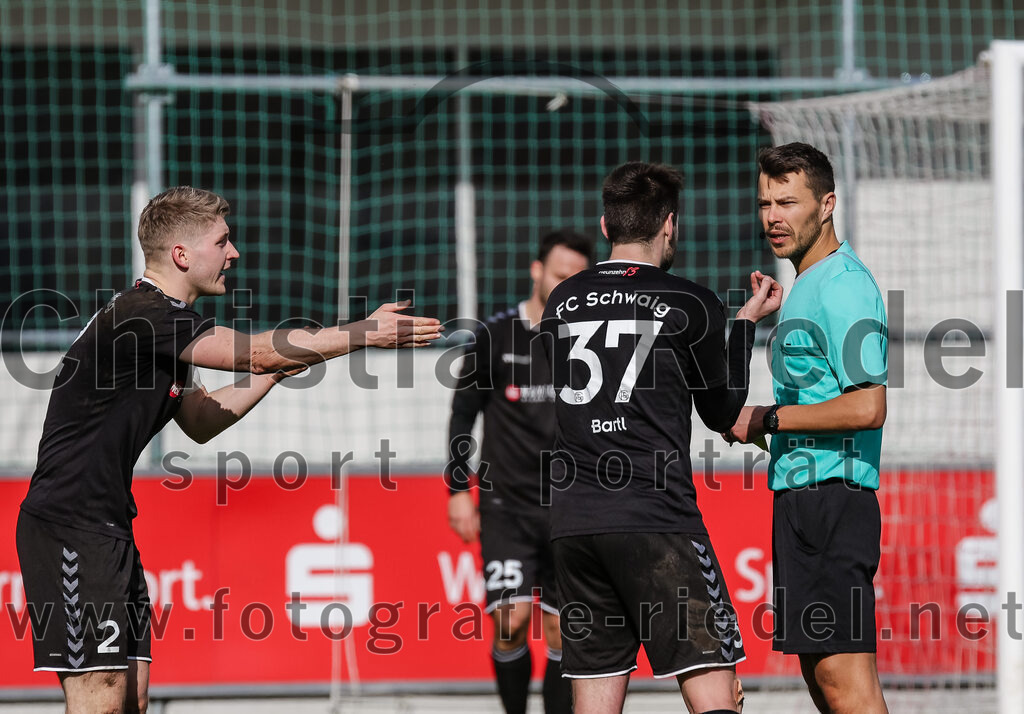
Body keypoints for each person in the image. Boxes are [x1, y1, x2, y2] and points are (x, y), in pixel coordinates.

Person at [16, 186, 443, 713]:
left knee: (134, 700)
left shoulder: (164, 323)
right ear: (181, 255)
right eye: (222, 241)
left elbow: (201, 420)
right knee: (99, 697)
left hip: (106, 524)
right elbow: (254, 354)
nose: (233, 253)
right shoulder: (144, 314)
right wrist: (361, 333)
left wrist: (285, 363)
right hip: (68, 525)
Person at [539, 161, 782, 714]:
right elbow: (721, 411)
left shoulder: (562, 302)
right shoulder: (692, 303)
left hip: (576, 525)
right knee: (716, 696)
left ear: (606, 227)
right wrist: (744, 325)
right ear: (669, 225)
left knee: (595, 702)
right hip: (656, 519)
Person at [725, 142, 889, 714]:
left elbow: (868, 406)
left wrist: (767, 419)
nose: (773, 216)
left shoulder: (844, 285)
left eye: (788, 202)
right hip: (802, 499)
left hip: (834, 500)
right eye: (766, 202)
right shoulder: (805, 285)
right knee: (824, 686)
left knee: (848, 687)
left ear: (827, 205)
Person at [445, 229, 594, 714]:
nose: (565, 283)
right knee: (510, 620)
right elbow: (462, 415)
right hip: (505, 504)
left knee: (559, 628)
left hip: (569, 507)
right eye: (558, 273)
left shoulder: (589, 342)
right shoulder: (494, 336)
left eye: (576, 277)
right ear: (536, 271)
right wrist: (457, 490)